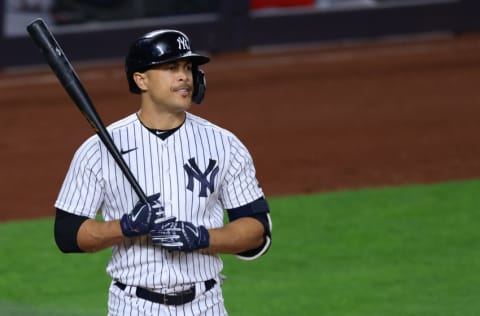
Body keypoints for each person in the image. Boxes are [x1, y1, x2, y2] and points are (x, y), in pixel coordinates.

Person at [53, 28, 272, 316]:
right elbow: (67, 234)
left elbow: (257, 232)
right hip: (132, 306)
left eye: (187, 68)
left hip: (205, 305)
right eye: (171, 68)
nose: (184, 76)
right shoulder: (98, 149)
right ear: (141, 79)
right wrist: (125, 227)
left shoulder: (225, 144)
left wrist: (202, 238)